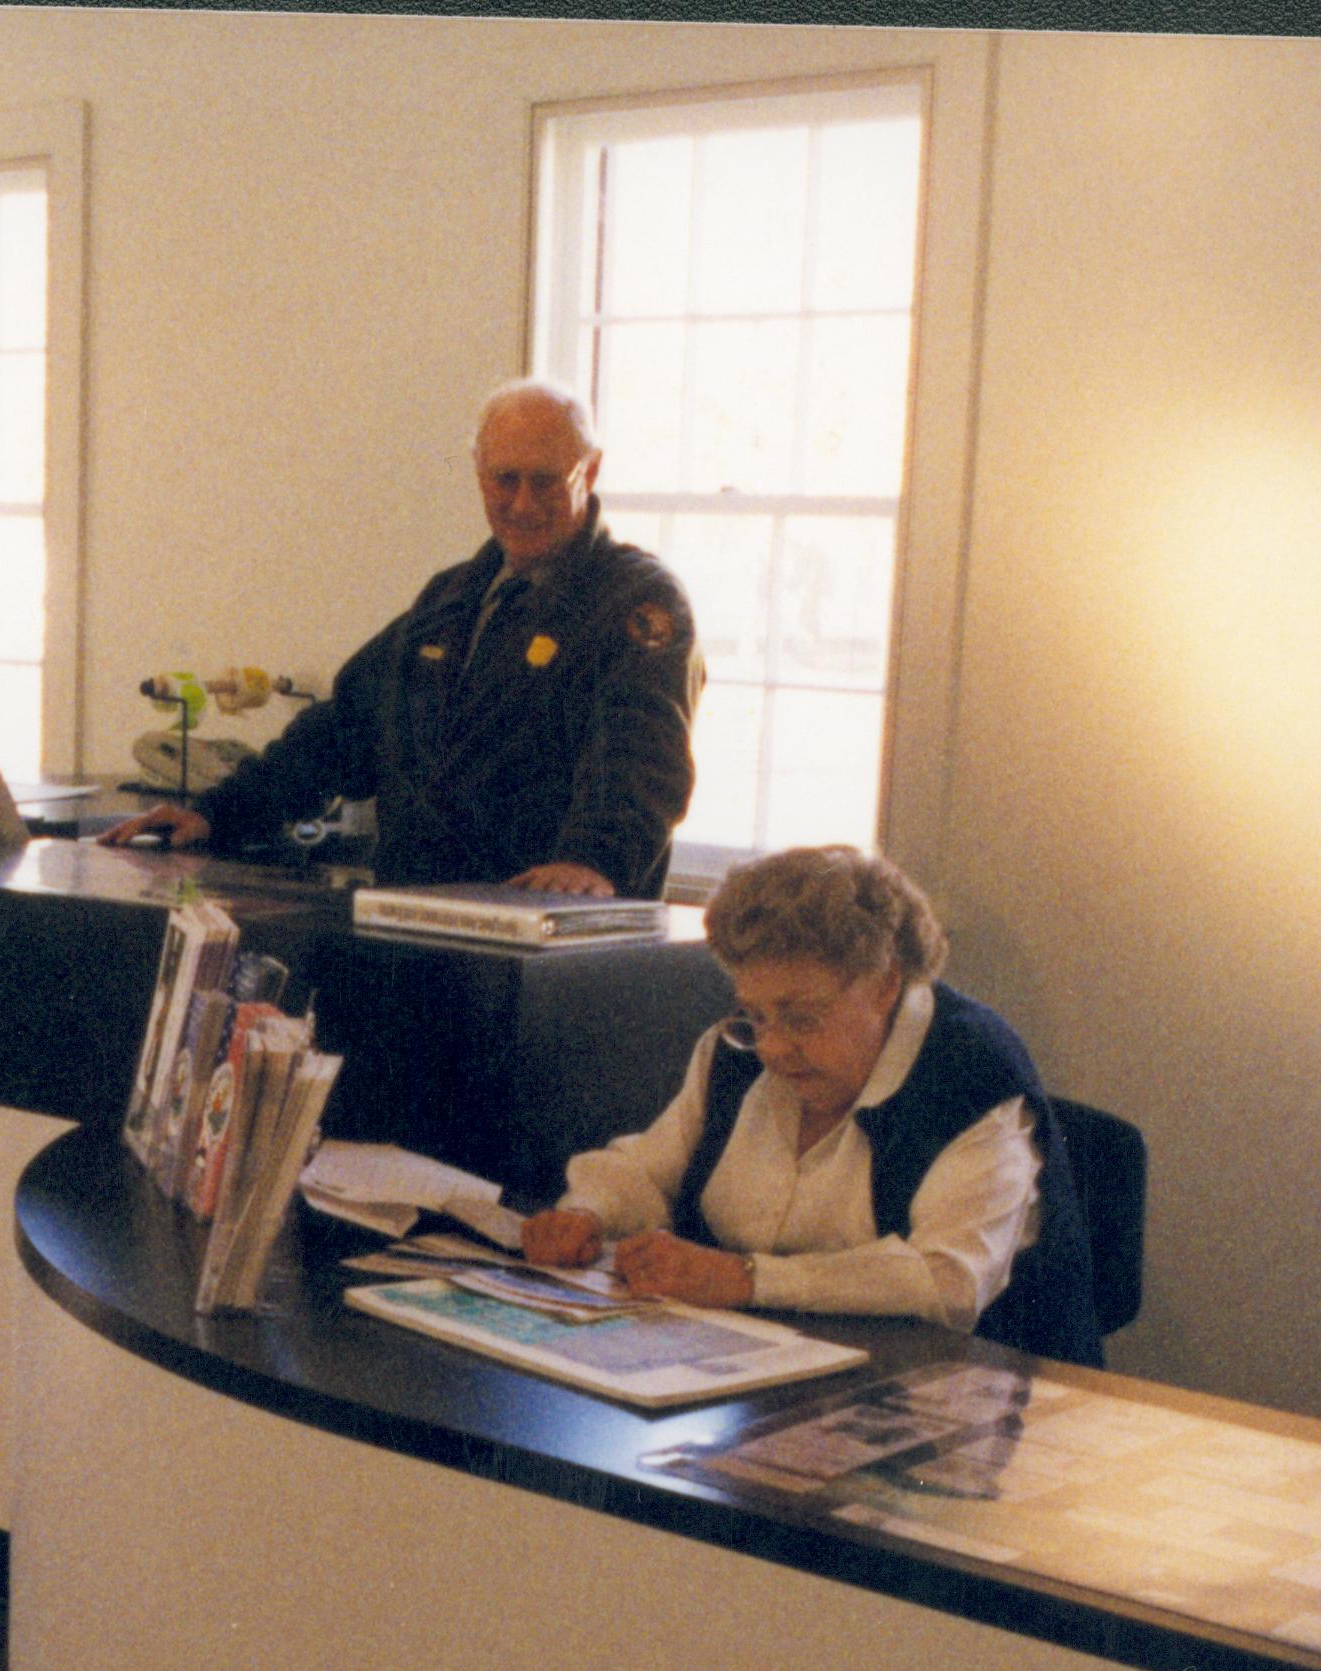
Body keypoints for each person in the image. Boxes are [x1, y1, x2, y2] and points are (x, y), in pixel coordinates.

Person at [97, 379, 698, 898]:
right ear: (478, 473)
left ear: (588, 472)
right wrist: (216, 813)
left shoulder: (635, 604)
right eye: (503, 479)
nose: (521, 503)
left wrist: (593, 862)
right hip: (416, 926)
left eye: (545, 481)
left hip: (543, 950)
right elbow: (342, 731)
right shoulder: (452, 599)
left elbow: (644, 763)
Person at [519, 846, 1105, 1365]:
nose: (772, 1047)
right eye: (757, 1015)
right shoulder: (734, 1052)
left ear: (883, 985)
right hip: (767, 1374)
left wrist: (746, 1279)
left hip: (970, 1401)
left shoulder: (971, 1069)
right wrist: (585, 1214)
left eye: (801, 1018)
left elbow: (946, 1279)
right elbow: (647, 1168)